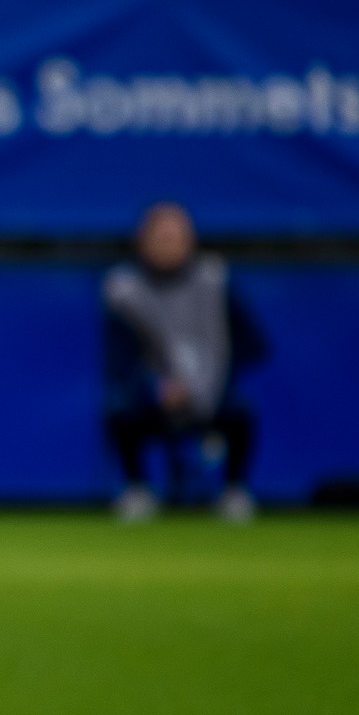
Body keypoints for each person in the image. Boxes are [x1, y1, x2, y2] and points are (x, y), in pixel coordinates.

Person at [102, 202, 268, 523]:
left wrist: (209, 382)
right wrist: (156, 386)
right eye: (160, 236)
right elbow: (119, 360)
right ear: (142, 239)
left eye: (175, 236)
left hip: (212, 392)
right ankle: (137, 490)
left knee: (241, 410)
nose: (168, 244)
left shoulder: (215, 279)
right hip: (154, 397)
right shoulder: (123, 289)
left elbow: (253, 344)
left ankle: (234, 492)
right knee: (119, 408)